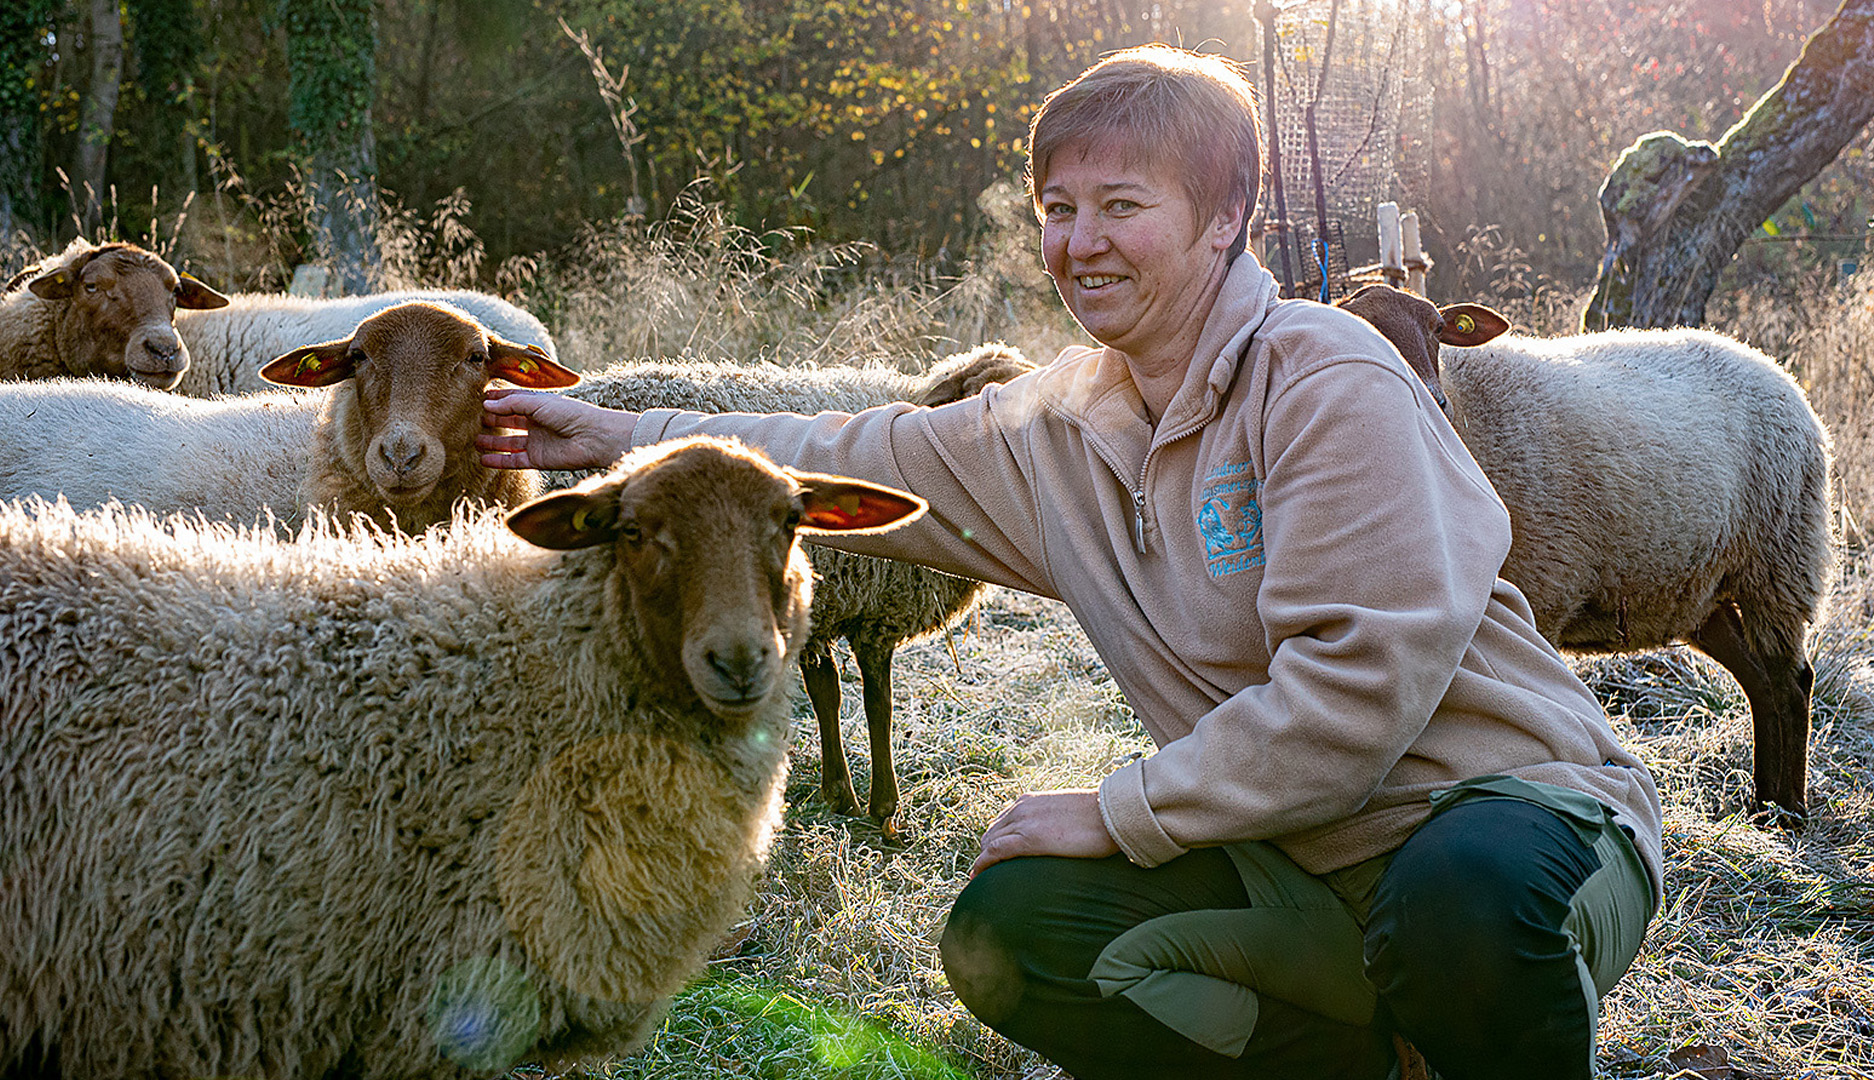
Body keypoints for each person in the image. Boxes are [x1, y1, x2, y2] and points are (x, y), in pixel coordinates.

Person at [477, 45, 1662, 1080]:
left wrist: (1120, 809)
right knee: (1011, 932)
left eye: (1121, 206)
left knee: (1455, 911)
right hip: (1298, 875)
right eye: (1057, 207)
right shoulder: (1063, 423)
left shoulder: (1325, 382)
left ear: (1224, 216)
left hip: (1513, 830)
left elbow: (1353, 697)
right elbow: (857, 446)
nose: (1079, 243)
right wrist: (630, 442)